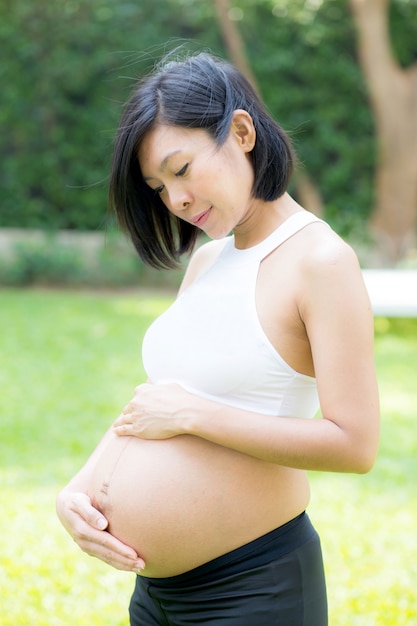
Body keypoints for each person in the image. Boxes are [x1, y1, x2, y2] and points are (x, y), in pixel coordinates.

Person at [56, 51, 380, 625]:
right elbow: (158, 400)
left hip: (254, 590)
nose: (175, 201)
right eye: (158, 187)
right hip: (158, 598)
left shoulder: (321, 261)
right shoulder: (206, 262)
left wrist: (196, 417)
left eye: (181, 171)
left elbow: (354, 444)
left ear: (241, 131)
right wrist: (77, 492)